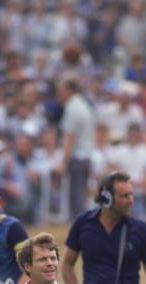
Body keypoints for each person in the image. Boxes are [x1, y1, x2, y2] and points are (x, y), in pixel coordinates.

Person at [57, 75, 95, 219]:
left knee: (76, 198)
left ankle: (80, 228)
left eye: (61, 90)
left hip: (77, 158)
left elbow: (69, 137)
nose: (59, 94)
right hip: (86, 157)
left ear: (68, 90)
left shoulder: (73, 107)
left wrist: (63, 162)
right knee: (81, 196)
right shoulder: (84, 105)